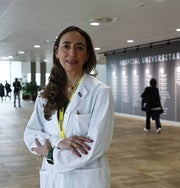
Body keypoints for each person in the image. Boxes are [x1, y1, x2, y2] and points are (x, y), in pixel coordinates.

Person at [23, 26, 114, 188]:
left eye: (79, 47)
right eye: (66, 46)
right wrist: (58, 143)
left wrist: (51, 154)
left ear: (87, 55)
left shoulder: (100, 92)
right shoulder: (45, 93)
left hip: (87, 178)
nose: (72, 53)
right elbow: (31, 135)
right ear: (57, 52)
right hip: (53, 177)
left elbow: (96, 146)